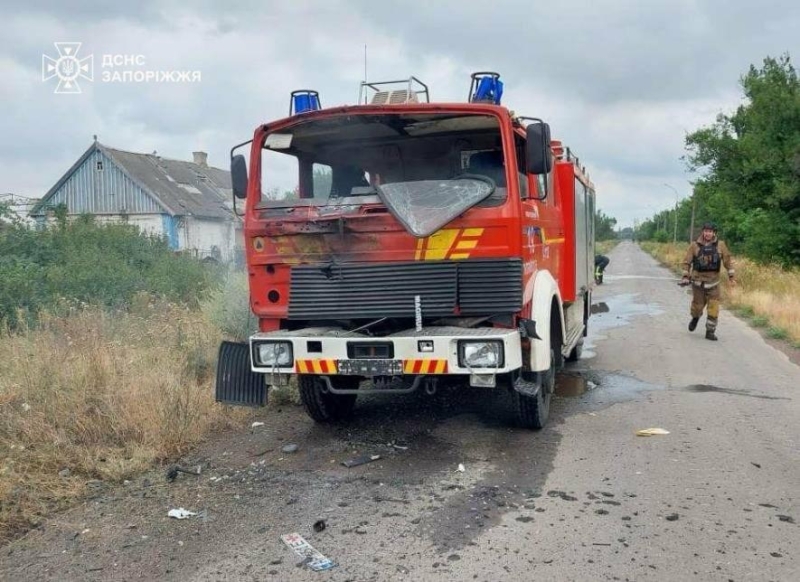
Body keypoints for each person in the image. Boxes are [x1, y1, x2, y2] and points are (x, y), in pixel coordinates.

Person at [680, 221, 735, 341]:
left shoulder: (721, 245)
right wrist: (685, 276)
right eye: (706, 231)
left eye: (710, 231)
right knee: (697, 308)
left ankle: (710, 331)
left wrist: (731, 276)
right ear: (702, 232)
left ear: (714, 233)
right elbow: (686, 262)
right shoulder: (694, 246)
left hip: (714, 284)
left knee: (713, 308)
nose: (707, 233)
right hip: (698, 284)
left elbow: (728, 261)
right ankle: (695, 318)